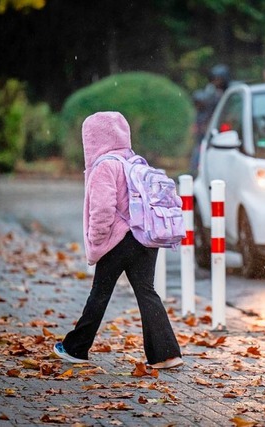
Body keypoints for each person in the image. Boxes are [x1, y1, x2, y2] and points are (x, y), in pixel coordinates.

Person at [53, 111, 183, 370]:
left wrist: (97, 240)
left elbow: (102, 210)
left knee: (99, 293)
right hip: (145, 237)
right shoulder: (136, 161)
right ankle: (166, 354)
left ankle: (75, 348)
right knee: (147, 293)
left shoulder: (104, 165)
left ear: (93, 138)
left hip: (118, 240)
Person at [190, 64, 232, 175]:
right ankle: (196, 172)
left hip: (224, 128)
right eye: (214, 79)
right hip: (208, 127)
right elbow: (204, 109)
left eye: (218, 79)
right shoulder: (210, 91)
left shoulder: (230, 93)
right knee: (201, 148)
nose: (216, 82)